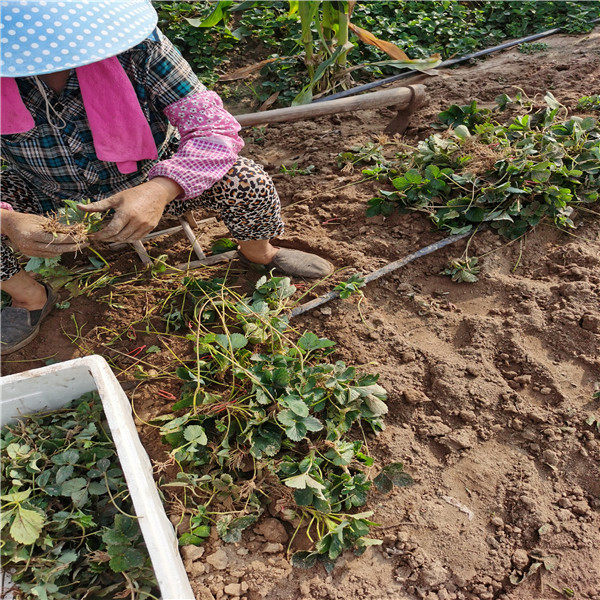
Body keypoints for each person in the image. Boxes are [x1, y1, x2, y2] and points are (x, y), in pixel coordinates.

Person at [0, 0, 333, 356]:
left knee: (245, 179)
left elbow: (212, 127)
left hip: (153, 171)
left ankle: (259, 252)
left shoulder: (137, 46)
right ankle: (29, 296)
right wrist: (8, 219)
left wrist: (160, 188)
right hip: (45, 190)